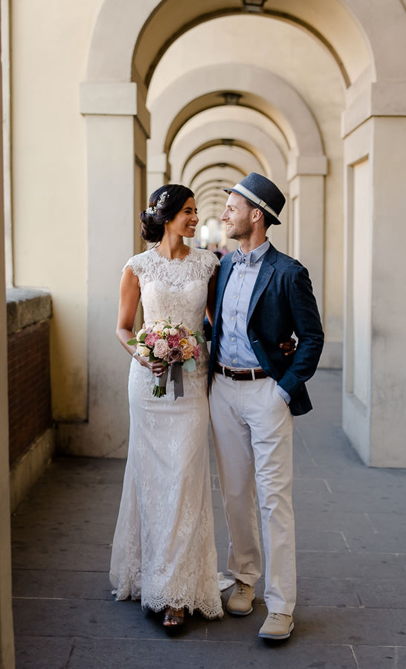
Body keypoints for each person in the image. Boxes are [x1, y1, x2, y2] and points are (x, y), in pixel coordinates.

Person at [208, 172, 324, 640]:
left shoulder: (290, 272)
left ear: (256, 215)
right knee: (235, 493)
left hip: (266, 392)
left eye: (231, 206)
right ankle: (244, 579)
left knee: (274, 497)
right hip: (222, 390)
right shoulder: (224, 267)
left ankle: (281, 604)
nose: (224, 214)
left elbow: (313, 338)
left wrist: (282, 388)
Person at [111, 184, 223, 627]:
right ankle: (151, 576)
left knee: (185, 478)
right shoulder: (137, 267)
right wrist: (144, 352)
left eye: (197, 212)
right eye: (189, 212)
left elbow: (220, 322)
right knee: (151, 479)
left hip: (193, 386)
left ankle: (178, 590)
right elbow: (123, 328)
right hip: (148, 385)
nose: (196, 219)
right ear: (168, 215)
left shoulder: (208, 265)